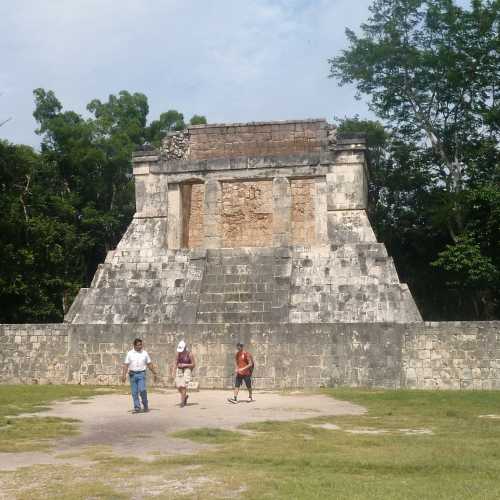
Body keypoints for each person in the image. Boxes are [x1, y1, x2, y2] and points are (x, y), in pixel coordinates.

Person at [121, 338, 158, 413]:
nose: (140, 346)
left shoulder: (144, 353)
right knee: (134, 392)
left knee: (142, 390)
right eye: (138, 345)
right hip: (132, 374)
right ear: (134, 345)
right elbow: (126, 365)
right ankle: (137, 407)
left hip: (141, 374)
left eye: (141, 345)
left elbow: (149, 364)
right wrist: (123, 375)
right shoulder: (129, 353)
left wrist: (154, 372)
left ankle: (145, 405)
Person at [173, 340, 195, 407]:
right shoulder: (178, 353)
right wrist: (173, 371)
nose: (181, 351)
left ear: (185, 348)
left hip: (187, 369)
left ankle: (182, 402)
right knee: (178, 386)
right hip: (179, 369)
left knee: (183, 385)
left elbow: (193, 364)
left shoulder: (189, 354)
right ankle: (184, 396)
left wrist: (185, 365)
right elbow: (175, 362)